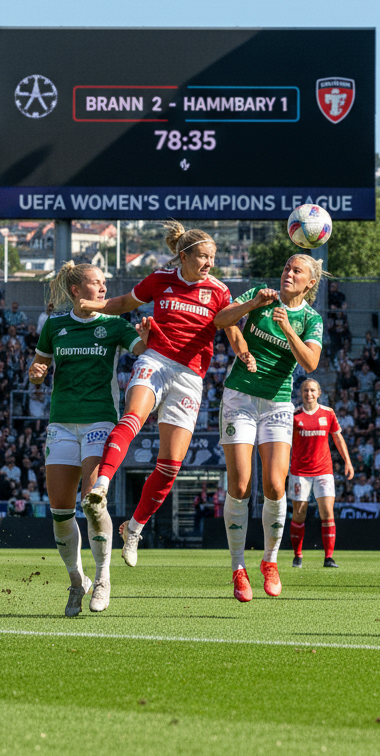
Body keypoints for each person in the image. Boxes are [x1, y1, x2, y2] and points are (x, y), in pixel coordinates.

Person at [82, 222, 232, 571]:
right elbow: (123, 302)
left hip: (191, 376)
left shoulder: (219, 291)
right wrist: (93, 305)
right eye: (203, 256)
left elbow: (231, 330)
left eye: (213, 257)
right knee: (132, 418)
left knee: (171, 465)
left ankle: (133, 529)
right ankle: (101, 486)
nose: (209, 263)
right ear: (184, 256)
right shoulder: (160, 278)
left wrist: (245, 353)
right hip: (156, 359)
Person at [28, 261, 149, 616]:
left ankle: (103, 578)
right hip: (61, 424)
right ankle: (76, 581)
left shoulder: (113, 324)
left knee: (93, 503)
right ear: (76, 289)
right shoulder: (55, 326)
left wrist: (147, 335)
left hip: (99, 420)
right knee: (61, 513)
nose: (103, 287)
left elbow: (141, 350)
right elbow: (39, 369)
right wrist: (36, 373)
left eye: (104, 282)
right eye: (95, 283)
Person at [212, 254, 324, 601]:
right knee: (241, 485)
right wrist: (252, 305)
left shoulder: (310, 319)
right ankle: (237, 567)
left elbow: (311, 362)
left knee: (276, 486)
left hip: (277, 404)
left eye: (297, 271)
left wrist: (288, 327)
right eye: (287, 268)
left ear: (310, 283)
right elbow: (221, 320)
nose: (288, 273)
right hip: (240, 399)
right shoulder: (262, 294)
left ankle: (270, 561)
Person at [288, 378, 354, 570]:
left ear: (319, 393)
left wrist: (347, 461)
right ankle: (298, 555)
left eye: (312, 390)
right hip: (299, 471)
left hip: (324, 470)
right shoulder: (294, 415)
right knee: (299, 515)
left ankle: (329, 558)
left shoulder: (328, 413)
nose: (309, 394)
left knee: (327, 513)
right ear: (301, 394)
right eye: (305, 391)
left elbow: (338, 438)